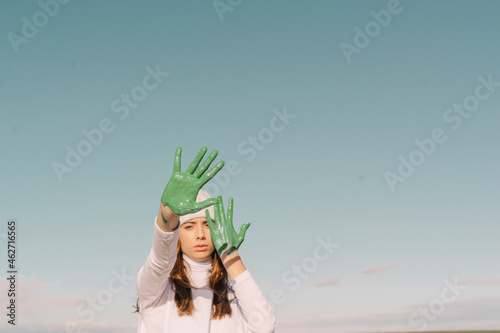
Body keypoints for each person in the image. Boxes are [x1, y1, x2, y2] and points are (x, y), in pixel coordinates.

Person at [135, 147, 276, 332]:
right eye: (189, 226)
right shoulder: (158, 291)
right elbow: (160, 262)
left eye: (208, 224)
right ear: (178, 233)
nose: (200, 234)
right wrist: (167, 218)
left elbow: (264, 328)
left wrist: (230, 255)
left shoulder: (232, 298)